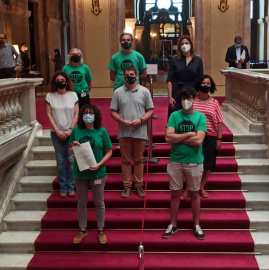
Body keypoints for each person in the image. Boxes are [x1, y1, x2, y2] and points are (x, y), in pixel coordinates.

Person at [162, 87, 207, 240]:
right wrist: (188, 134)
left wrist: (177, 137)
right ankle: (173, 224)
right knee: (175, 194)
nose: (186, 101)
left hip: (194, 161)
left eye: (189, 98)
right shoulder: (174, 115)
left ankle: (196, 225)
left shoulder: (200, 117)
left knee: (194, 194)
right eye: (183, 98)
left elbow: (199, 140)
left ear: (194, 99)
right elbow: (167, 138)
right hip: (176, 160)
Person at [69, 104, 113, 245]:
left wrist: (100, 164)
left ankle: (100, 230)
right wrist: (73, 147)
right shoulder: (76, 131)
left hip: (98, 173)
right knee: (81, 202)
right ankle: (83, 230)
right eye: (85, 113)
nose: (88, 115)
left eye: (91, 113)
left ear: (96, 116)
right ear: (82, 116)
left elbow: (110, 151)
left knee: (99, 202)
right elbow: (70, 151)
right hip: (80, 173)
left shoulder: (102, 131)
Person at [110, 66, 154, 198]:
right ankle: (127, 186)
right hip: (124, 132)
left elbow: (150, 110)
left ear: (136, 76)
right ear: (124, 77)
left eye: (132, 74)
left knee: (139, 160)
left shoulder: (144, 91)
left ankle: (139, 185)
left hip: (140, 131)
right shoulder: (118, 92)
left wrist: (141, 120)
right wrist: (121, 121)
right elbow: (113, 111)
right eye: (127, 75)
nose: (129, 76)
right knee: (126, 160)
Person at [180, 75, 224, 200]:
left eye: (208, 83)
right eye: (203, 83)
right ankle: (188, 188)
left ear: (211, 86)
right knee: (192, 165)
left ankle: (201, 187)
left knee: (207, 165)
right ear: (199, 84)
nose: (205, 85)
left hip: (210, 137)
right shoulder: (193, 101)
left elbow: (219, 122)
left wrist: (219, 139)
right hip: (194, 137)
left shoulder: (215, 103)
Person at [46, 71, 79, 198]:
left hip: (71, 132)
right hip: (56, 133)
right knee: (60, 161)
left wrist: (71, 129)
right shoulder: (50, 96)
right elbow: (49, 115)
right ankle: (63, 187)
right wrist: (58, 131)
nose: (61, 82)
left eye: (62, 79)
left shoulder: (73, 95)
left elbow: (77, 114)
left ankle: (71, 186)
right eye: (58, 80)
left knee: (70, 161)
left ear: (67, 81)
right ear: (55, 82)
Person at [167, 35, 203, 119]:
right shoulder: (174, 60)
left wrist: (198, 96)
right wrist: (170, 97)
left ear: (190, 44)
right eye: (182, 44)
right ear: (179, 46)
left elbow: (200, 79)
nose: (184, 45)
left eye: (186, 43)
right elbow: (170, 80)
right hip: (177, 91)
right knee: (176, 117)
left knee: (191, 117)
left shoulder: (198, 60)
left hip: (192, 92)